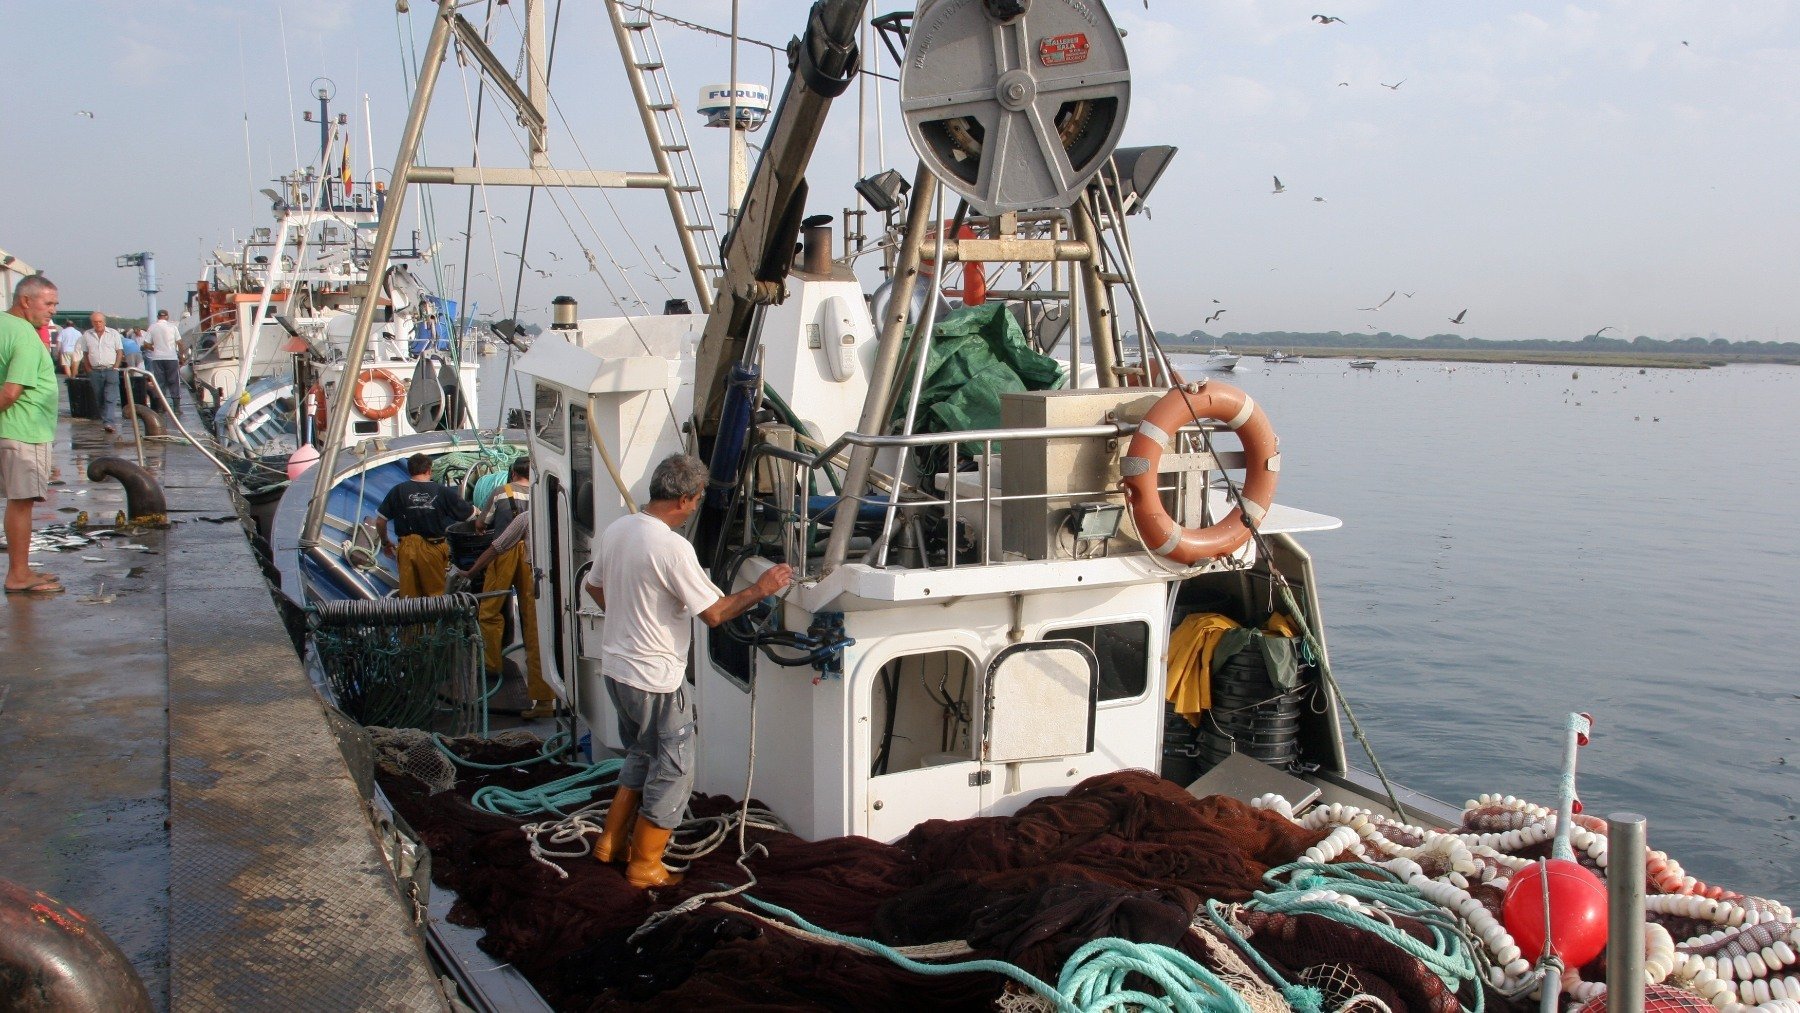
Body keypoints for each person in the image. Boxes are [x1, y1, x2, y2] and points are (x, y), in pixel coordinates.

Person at [584, 453, 792, 889]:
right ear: (684, 499)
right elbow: (715, 613)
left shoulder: (619, 528)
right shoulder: (672, 547)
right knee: (675, 768)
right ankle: (644, 866)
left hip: (617, 668)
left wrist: (631, 618)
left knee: (641, 752)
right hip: (655, 678)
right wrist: (762, 587)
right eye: (696, 501)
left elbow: (594, 585)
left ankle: (609, 843)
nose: (696, 508)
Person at [454, 475, 552, 719]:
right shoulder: (556, 515)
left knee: (494, 612)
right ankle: (553, 696)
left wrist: (471, 571)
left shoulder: (523, 516)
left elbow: (495, 545)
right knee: (542, 631)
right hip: (549, 577)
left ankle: (493, 665)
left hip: (524, 568)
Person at [1, 276, 64, 595]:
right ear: (25, 300)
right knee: (21, 502)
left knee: (18, 501)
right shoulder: (25, 336)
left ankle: (20, 568)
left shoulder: (3, 325)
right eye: (48, 303)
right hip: (23, 432)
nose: (53, 310)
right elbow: (11, 392)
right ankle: (19, 575)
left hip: (11, 431)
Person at [374, 452, 474, 597]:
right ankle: (435, 619)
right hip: (433, 548)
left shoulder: (397, 491)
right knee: (436, 596)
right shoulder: (443, 491)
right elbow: (469, 515)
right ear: (429, 470)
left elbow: (380, 521)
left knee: (409, 598)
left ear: (410, 470)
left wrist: (385, 543)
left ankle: (413, 619)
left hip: (406, 549)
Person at [78, 312, 123, 433]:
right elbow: (85, 353)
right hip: (95, 371)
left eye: (100, 322)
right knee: (99, 398)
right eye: (95, 322)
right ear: (92, 323)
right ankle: (106, 419)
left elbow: (119, 351)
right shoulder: (87, 335)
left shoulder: (113, 334)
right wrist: (88, 369)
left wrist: (116, 367)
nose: (98, 324)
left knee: (110, 397)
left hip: (110, 369)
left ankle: (109, 422)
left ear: (104, 322)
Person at [143, 309, 182, 411]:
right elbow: (180, 342)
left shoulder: (152, 327)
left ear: (158, 316)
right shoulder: (172, 327)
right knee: (173, 381)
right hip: (171, 357)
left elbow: (145, 344)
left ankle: (160, 408)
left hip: (157, 358)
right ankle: (176, 408)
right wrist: (182, 356)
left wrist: (154, 349)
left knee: (160, 382)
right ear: (167, 316)